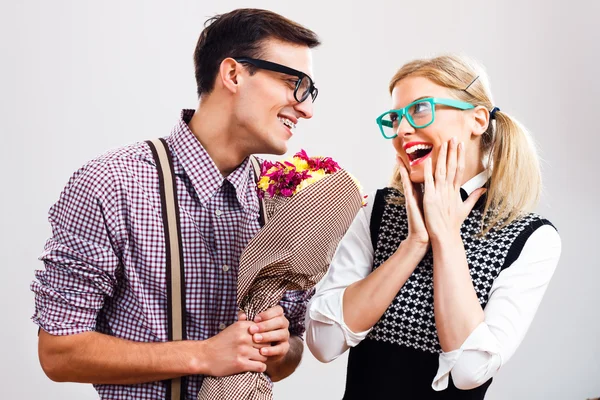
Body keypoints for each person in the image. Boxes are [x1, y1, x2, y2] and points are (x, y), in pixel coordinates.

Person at [31, 8, 320, 399]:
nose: (306, 108)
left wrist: (280, 347)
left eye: (309, 92)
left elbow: (290, 355)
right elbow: (58, 353)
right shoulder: (112, 184)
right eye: (293, 83)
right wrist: (201, 356)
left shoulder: (285, 200)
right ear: (233, 74)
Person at [306, 54, 561, 399]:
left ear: (478, 120)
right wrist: (413, 245)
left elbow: (470, 372)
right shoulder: (377, 211)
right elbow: (324, 343)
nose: (402, 130)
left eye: (420, 110)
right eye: (396, 117)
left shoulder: (532, 237)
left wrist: (446, 238)